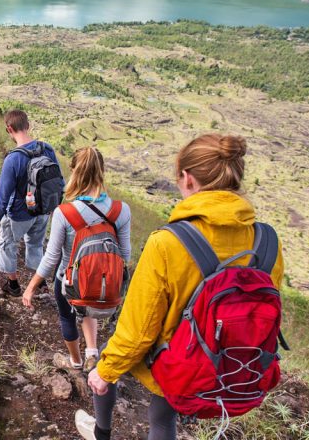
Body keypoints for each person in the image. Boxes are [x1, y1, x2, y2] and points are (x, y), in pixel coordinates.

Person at [78, 133, 284, 440]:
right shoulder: (268, 242)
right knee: (162, 415)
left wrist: (105, 372)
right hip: (234, 366)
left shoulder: (167, 243)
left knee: (114, 365)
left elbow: (138, 330)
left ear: (187, 179)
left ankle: (101, 432)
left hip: (179, 363)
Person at [22, 146, 131, 377]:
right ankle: (92, 352)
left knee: (67, 316)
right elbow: (125, 255)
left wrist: (30, 287)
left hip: (68, 282)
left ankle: (76, 361)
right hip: (103, 285)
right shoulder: (122, 211)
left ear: (74, 172)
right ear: (102, 171)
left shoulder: (65, 212)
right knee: (89, 307)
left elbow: (51, 257)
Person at [0, 110, 62, 297]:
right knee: (35, 244)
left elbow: (3, 198)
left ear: (9, 129)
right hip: (43, 211)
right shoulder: (47, 149)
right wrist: (54, 206)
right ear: (28, 125)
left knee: (6, 244)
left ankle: (13, 285)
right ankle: (40, 283)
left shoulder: (13, 159)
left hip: (19, 214)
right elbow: (59, 182)